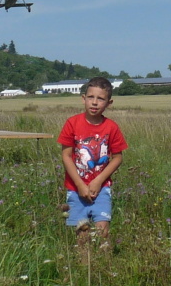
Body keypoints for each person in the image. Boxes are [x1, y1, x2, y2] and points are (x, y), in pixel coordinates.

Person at [58, 77, 128, 256]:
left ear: (109, 103)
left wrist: (98, 181)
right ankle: (85, 272)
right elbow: (66, 156)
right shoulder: (72, 123)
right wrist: (80, 185)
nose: (95, 102)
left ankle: (104, 268)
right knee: (82, 236)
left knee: (103, 232)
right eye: (91, 97)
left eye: (101, 99)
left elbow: (117, 158)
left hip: (102, 189)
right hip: (75, 189)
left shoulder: (111, 127)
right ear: (83, 98)